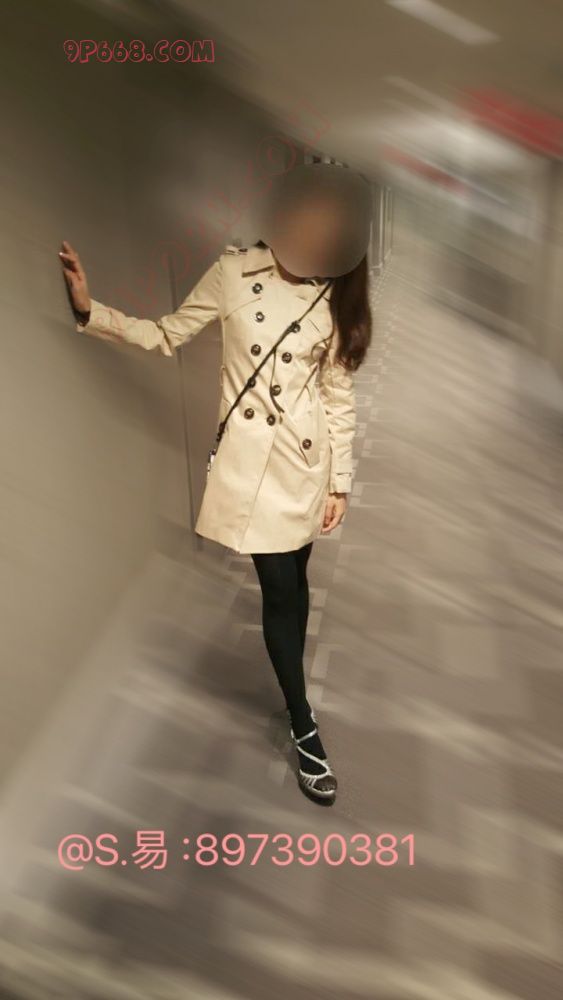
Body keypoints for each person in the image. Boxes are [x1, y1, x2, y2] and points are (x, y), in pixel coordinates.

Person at [59, 219, 371, 804]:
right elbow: (167, 334)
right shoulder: (233, 272)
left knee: (296, 580)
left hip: (304, 464)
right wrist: (89, 310)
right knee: (278, 589)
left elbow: (337, 396)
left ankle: (293, 683)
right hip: (253, 468)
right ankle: (303, 722)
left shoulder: (331, 294)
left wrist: (339, 482)